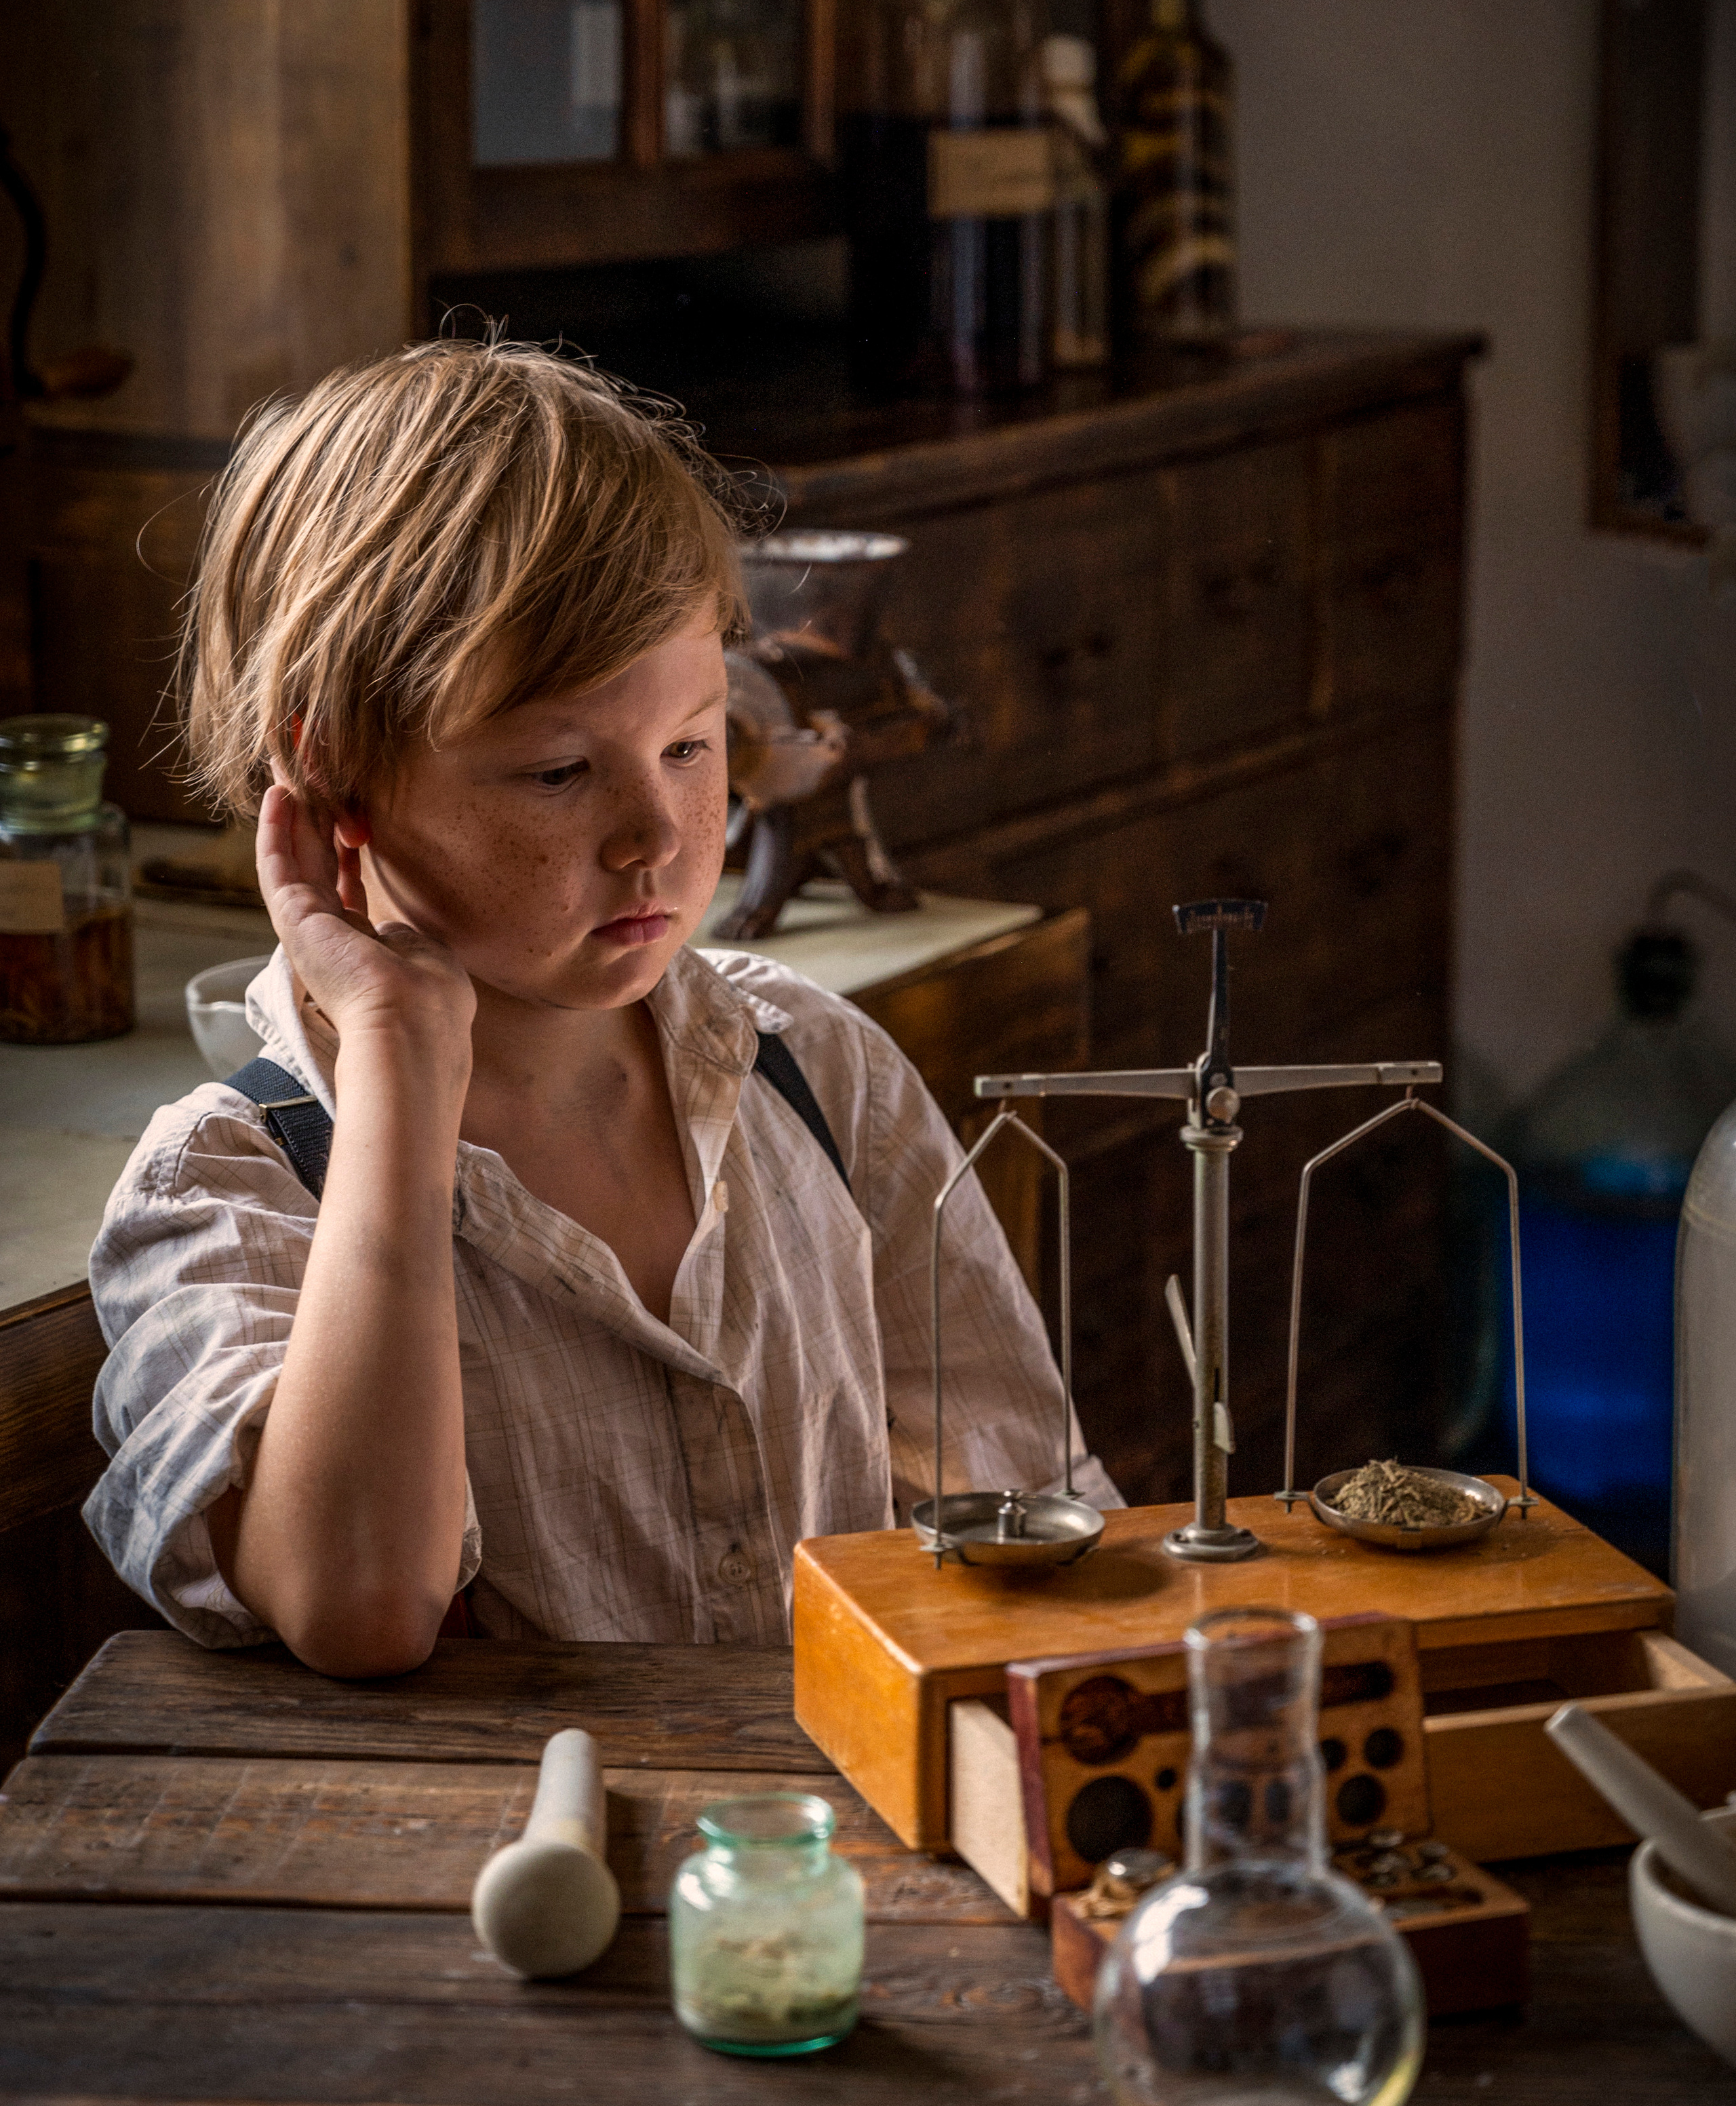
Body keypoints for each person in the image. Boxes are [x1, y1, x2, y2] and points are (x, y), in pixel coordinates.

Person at [85, 340, 1119, 1676]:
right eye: (560, 770)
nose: (655, 836)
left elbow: (1023, 1517)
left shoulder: (813, 1070)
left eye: (691, 747)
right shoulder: (231, 1186)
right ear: (332, 764)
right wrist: (400, 1058)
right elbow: (359, 1605)